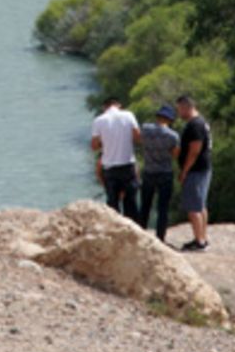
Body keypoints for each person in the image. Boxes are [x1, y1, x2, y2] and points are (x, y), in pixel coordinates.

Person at [90, 96, 141, 221]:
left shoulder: (99, 120)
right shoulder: (129, 115)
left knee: (113, 204)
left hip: (110, 168)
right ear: (119, 105)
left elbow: (94, 146)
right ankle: (133, 232)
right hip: (128, 165)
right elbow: (138, 137)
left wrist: (106, 142)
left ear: (104, 107)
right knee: (131, 203)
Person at [137, 102, 180, 242]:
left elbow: (139, 140)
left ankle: (141, 235)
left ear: (157, 117)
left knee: (145, 206)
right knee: (163, 208)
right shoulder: (173, 136)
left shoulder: (145, 129)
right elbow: (175, 155)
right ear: (170, 119)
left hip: (149, 172)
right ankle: (160, 238)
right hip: (165, 173)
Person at [175, 93, 213, 251]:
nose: (179, 113)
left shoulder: (195, 125)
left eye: (180, 109)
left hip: (196, 169)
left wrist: (185, 170)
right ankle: (202, 236)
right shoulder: (202, 122)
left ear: (187, 107)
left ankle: (199, 242)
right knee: (200, 205)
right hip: (204, 168)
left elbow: (194, 150)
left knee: (193, 208)